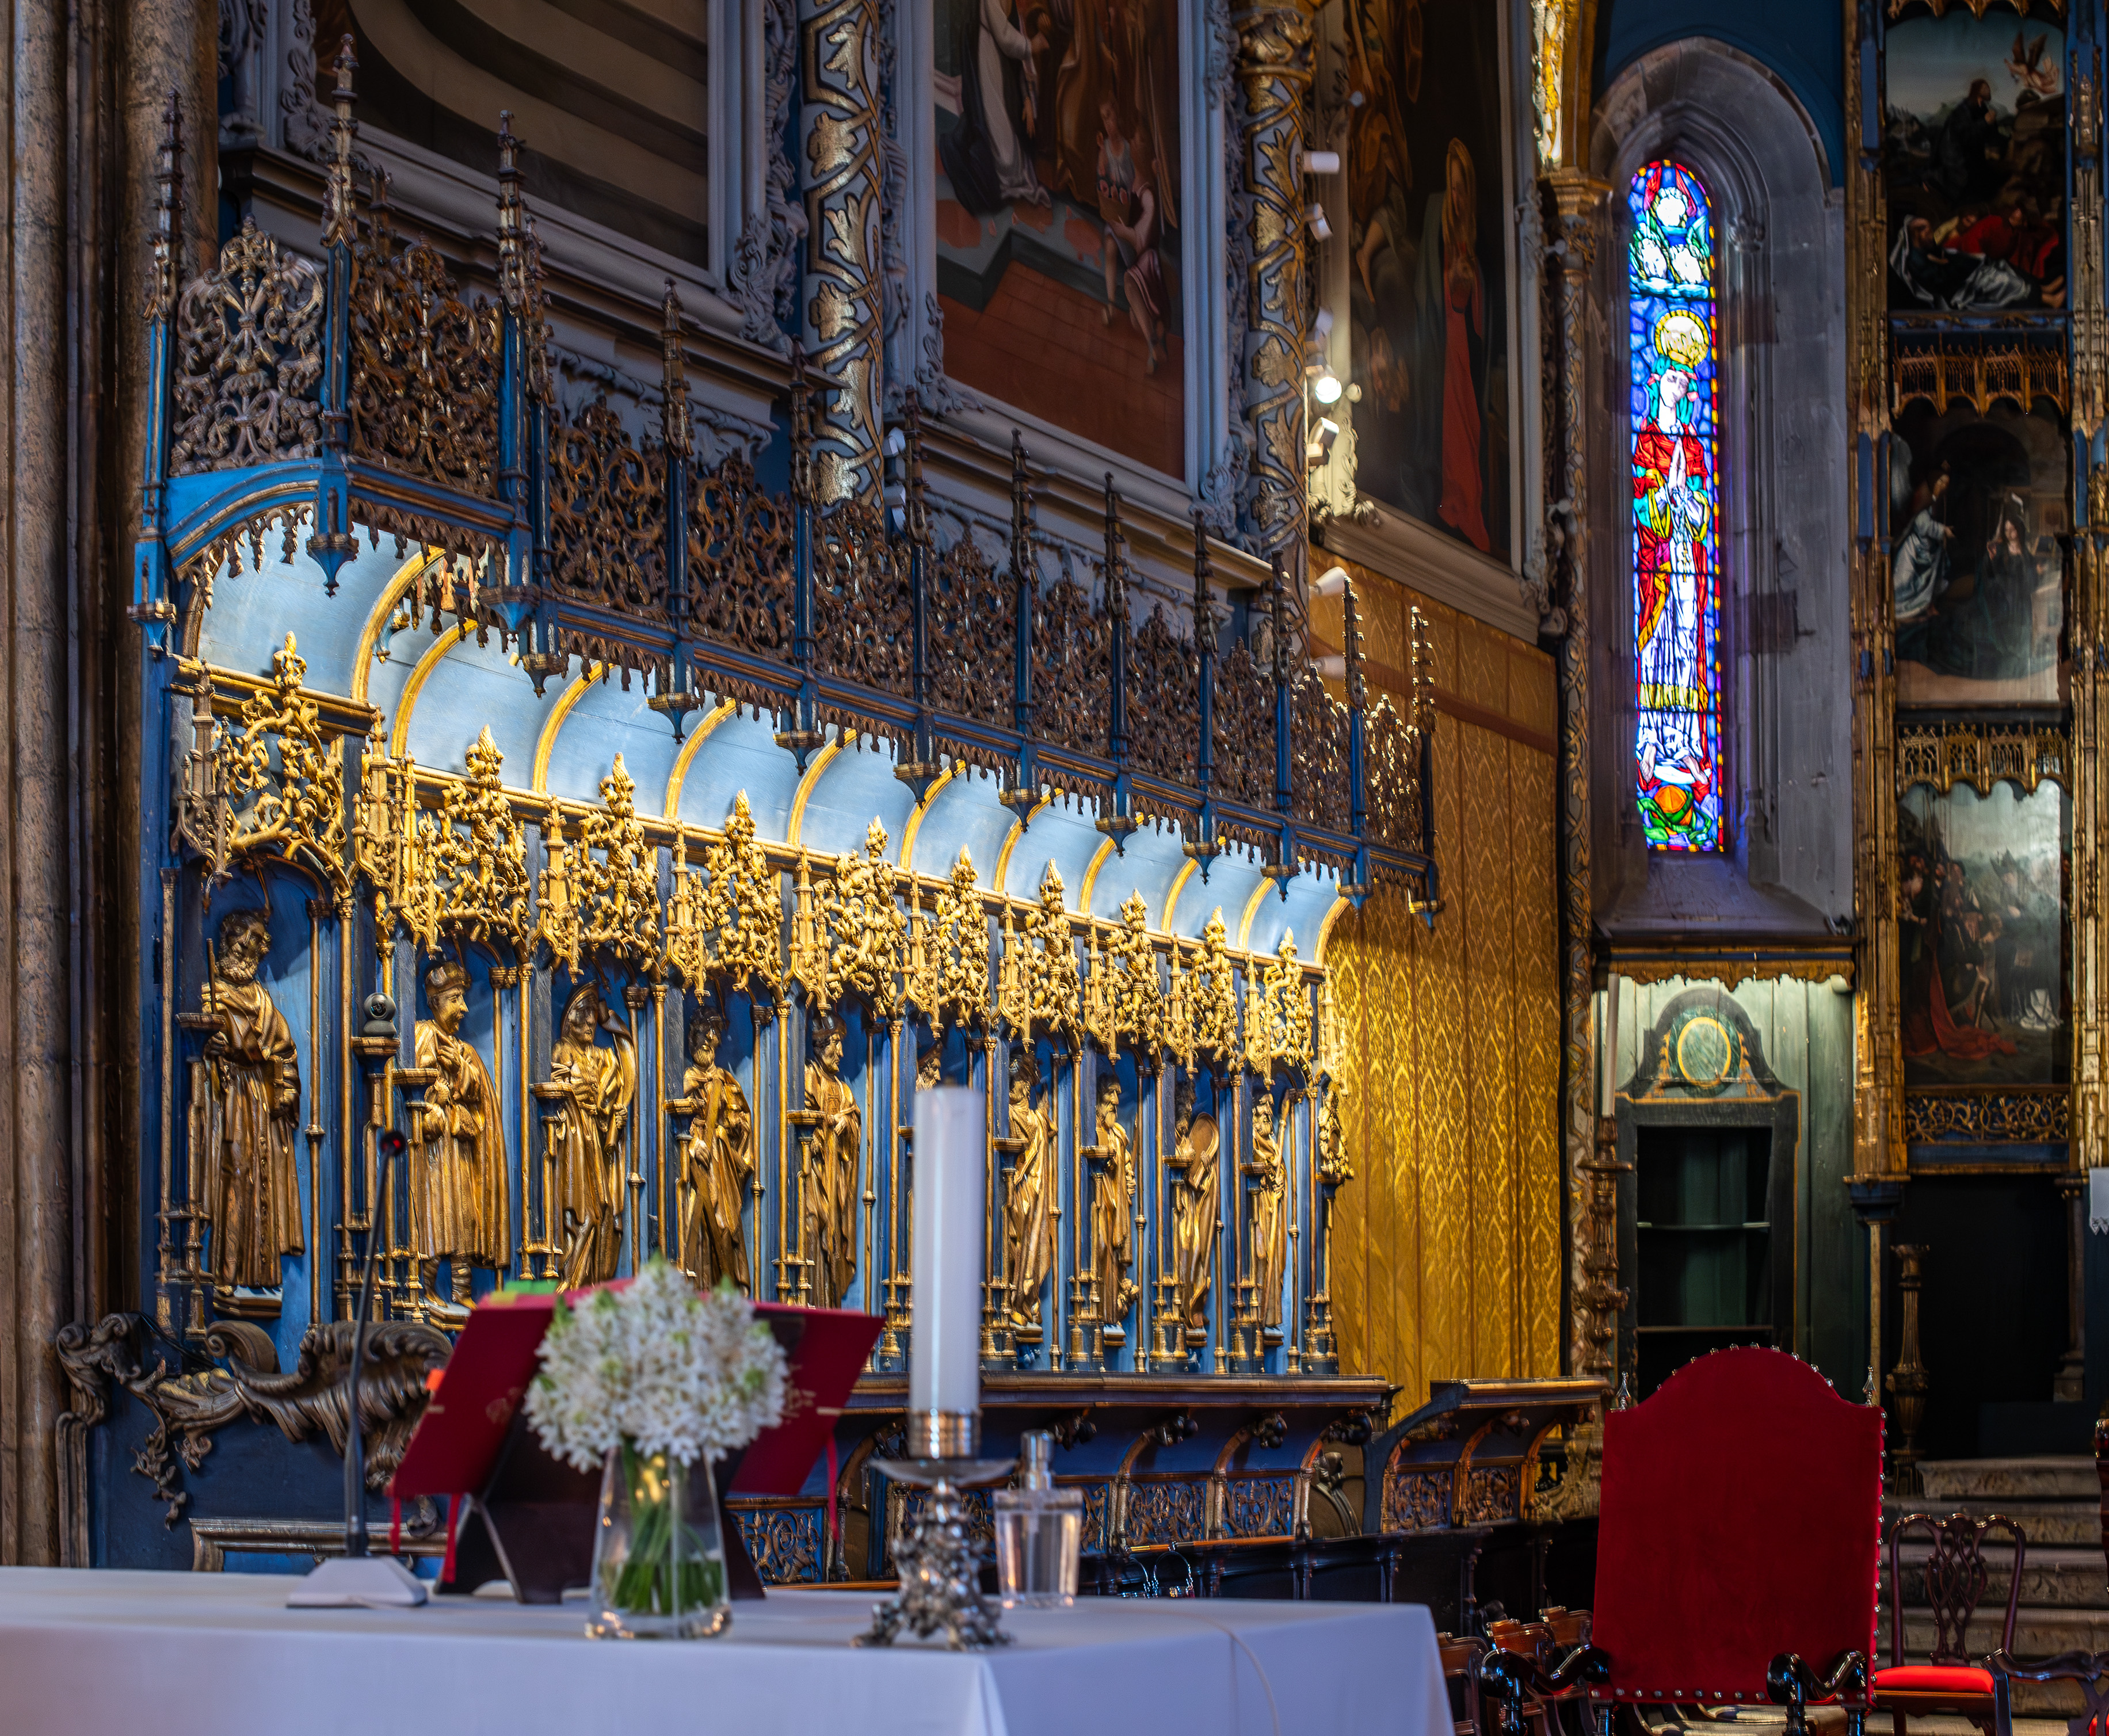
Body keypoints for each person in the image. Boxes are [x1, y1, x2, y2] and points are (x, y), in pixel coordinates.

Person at [196, 909, 303, 1311]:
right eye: (245, 941)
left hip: (258, 1098)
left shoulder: (262, 998)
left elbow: (285, 1050)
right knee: (230, 1179)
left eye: (257, 943)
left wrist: (288, 1088)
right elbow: (201, 1044)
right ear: (228, 941)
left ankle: (259, 1278)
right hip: (224, 1097)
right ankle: (223, 1275)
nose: (250, 950)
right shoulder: (210, 992)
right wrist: (212, 1044)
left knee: (261, 1180)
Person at [409, 960, 509, 1322]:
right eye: (455, 999)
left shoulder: (464, 1051)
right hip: (434, 1151)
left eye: (464, 999)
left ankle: (462, 1291)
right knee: (437, 1217)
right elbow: (416, 1085)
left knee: (465, 1216)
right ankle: (426, 1287)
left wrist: (461, 1071)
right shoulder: (422, 1035)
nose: (464, 1008)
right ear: (434, 1002)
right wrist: (442, 1091)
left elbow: (480, 1096)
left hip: (461, 1150)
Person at [544, 984, 636, 1289]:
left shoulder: (602, 1056)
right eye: (580, 1015)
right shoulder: (564, 1049)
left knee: (601, 1215)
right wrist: (572, 1094)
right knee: (581, 1216)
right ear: (568, 1018)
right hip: (572, 1143)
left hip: (594, 1145)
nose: (589, 1023)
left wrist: (614, 1118)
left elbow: (609, 1096)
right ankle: (570, 1284)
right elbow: (557, 1093)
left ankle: (589, 1287)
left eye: (592, 1016)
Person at [940, 0, 1051, 216]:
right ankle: (1003, 179)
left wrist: (1027, 98)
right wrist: (1031, 46)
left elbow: (1013, 34)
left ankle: (1016, 179)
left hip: (1003, 63)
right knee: (997, 122)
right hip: (988, 58)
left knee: (1008, 123)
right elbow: (1004, 36)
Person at [676, 1001, 754, 1292]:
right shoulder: (683, 1081)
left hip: (721, 1168)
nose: (708, 1040)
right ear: (692, 1037)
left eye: (713, 1035)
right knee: (695, 1231)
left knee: (724, 1228)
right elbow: (667, 1125)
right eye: (702, 1034)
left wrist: (728, 1129)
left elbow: (742, 1123)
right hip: (693, 1172)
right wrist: (693, 1143)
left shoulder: (726, 1081)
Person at [1096, 96, 1168, 375]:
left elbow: (1139, 237)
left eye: (1111, 116)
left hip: (1145, 257)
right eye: (1105, 118)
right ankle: (1115, 307)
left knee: (1136, 300)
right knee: (1113, 251)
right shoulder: (1138, 181)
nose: (1109, 123)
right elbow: (1104, 178)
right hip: (1121, 221)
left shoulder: (1146, 190)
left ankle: (1154, 345)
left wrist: (1121, 228)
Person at [800, 1015, 861, 1308]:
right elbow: (799, 1121)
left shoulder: (844, 1090)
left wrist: (846, 1126)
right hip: (812, 1174)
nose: (841, 1053)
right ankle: (809, 1301)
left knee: (834, 1240)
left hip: (835, 1178)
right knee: (813, 1227)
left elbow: (854, 1125)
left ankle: (829, 1307)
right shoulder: (807, 1077)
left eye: (840, 1045)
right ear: (819, 1044)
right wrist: (820, 1129)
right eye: (835, 1044)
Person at [1891, 464, 1953, 625]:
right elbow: (1921, 523)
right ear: (1934, 484)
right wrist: (1942, 530)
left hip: (1929, 551)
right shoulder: (1926, 502)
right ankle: (1895, 608)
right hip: (1913, 550)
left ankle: (1928, 605)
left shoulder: (1940, 503)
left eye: (1946, 484)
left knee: (1936, 570)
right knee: (1903, 581)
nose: (1943, 486)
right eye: (1941, 482)